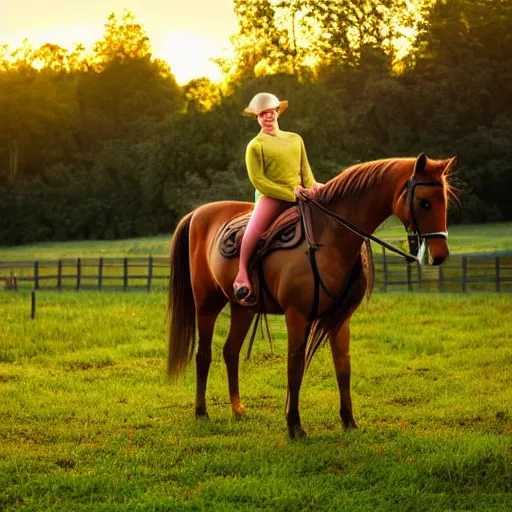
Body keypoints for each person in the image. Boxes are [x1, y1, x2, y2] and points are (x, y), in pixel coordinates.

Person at [233, 92, 323, 306]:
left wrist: (316, 188)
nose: (268, 117)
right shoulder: (255, 145)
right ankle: (242, 273)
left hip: (301, 192)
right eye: (262, 114)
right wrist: (291, 193)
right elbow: (259, 181)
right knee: (254, 230)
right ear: (257, 117)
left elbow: (306, 173)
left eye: (271, 112)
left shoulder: (295, 139)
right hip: (271, 196)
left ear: (277, 112)